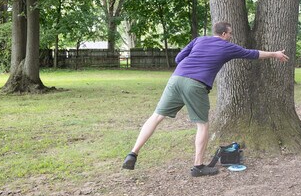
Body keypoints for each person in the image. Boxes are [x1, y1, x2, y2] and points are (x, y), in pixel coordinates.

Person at [122, 21, 289, 176]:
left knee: (156, 117)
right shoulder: (227, 46)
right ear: (224, 34)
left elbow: (178, 58)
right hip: (196, 84)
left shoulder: (198, 40)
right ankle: (198, 166)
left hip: (176, 79)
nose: (231, 36)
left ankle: (133, 152)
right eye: (230, 33)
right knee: (202, 125)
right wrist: (275, 54)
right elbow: (252, 54)